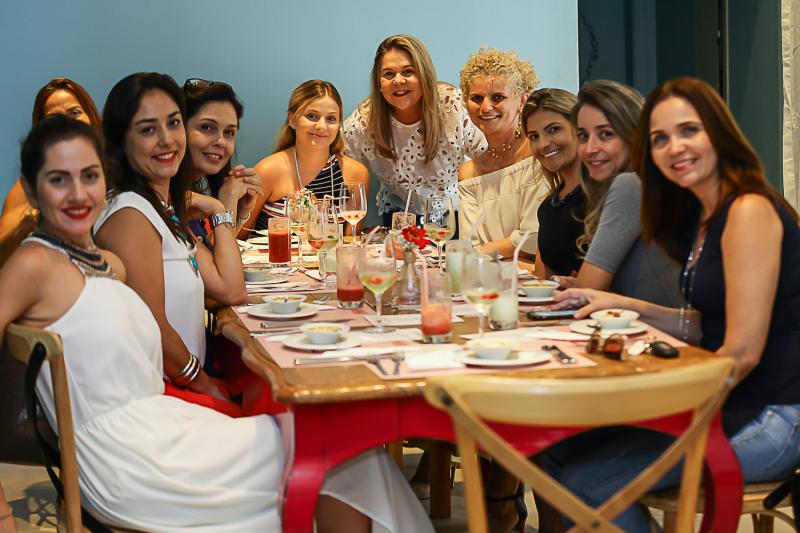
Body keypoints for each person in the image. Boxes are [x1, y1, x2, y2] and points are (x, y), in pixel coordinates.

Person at [0, 114, 434, 532]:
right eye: (59, 180)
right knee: (345, 458)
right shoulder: (34, 263)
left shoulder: (104, 262)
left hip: (162, 427)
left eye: (89, 176)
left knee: (352, 454)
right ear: (32, 193)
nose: (78, 193)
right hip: (128, 459)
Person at [540, 77, 800, 532]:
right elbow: (707, 325)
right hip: (734, 403)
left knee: (588, 484)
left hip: (774, 415)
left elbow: (742, 352)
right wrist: (619, 303)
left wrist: (667, 403)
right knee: (555, 451)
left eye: (689, 130)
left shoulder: (748, 210)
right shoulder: (702, 216)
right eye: (660, 139)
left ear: (718, 132)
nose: (674, 147)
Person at [94, 73, 244, 402]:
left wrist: (219, 208)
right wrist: (204, 383)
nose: (167, 139)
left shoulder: (161, 208)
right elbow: (154, 327)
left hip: (176, 384)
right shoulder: (130, 214)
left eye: (173, 123)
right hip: (157, 393)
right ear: (121, 141)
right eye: (148, 130)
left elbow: (233, 289)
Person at [561, 80, 682, 307]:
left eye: (606, 134)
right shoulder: (646, 182)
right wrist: (578, 286)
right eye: (583, 136)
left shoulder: (630, 184)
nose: (590, 148)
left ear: (634, 135)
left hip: (655, 329)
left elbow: (587, 291)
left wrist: (581, 288)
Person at [343, 34, 487, 226]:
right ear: (379, 84)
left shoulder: (452, 105)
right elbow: (341, 165)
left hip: (456, 217)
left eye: (408, 71)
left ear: (424, 76)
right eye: (388, 74)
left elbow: (488, 158)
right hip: (398, 220)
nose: (398, 81)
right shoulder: (364, 120)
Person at [243, 79, 369, 234]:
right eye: (312, 116)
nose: (321, 126)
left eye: (331, 118)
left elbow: (350, 242)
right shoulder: (267, 171)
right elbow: (237, 236)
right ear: (292, 119)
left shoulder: (356, 173)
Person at [0, 77, 101, 266]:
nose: (67, 124)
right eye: (55, 119)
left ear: (91, 116)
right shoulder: (28, 188)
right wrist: (29, 221)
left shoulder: (120, 175)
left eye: (75, 113)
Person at [457, 46, 545, 258]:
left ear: (522, 101)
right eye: (477, 98)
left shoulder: (538, 153)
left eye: (497, 98)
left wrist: (486, 251)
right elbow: (469, 246)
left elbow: (532, 238)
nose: (485, 107)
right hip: (486, 275)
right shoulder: (469, 172)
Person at [180, 78, 262, 245]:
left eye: (229, 132)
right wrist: (228, 203)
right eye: (207, 127)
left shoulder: (194, 194)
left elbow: (212, 249)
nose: (221, 142)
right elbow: (218, 262)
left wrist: (240, 212)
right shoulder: (168, 200)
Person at [522, 88, 586, 278]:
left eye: (553, 129)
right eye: (534, 136)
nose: (542, 144)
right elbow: (543, 282)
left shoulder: (606, 194)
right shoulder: (548, 208)